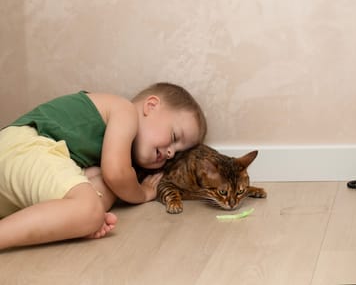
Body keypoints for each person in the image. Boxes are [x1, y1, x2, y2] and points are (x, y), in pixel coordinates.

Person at [0, 82, 207, 250]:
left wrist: (82, 222)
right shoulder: (123, 110)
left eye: (177, 153)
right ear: (151, 106)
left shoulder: (99, 158)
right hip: (26, 146)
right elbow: (116, 174)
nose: (171, 152)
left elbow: (107, 182)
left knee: (94, 202)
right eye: (173, 137)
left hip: (15, 178)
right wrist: (142, 193)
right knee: (90, 208)